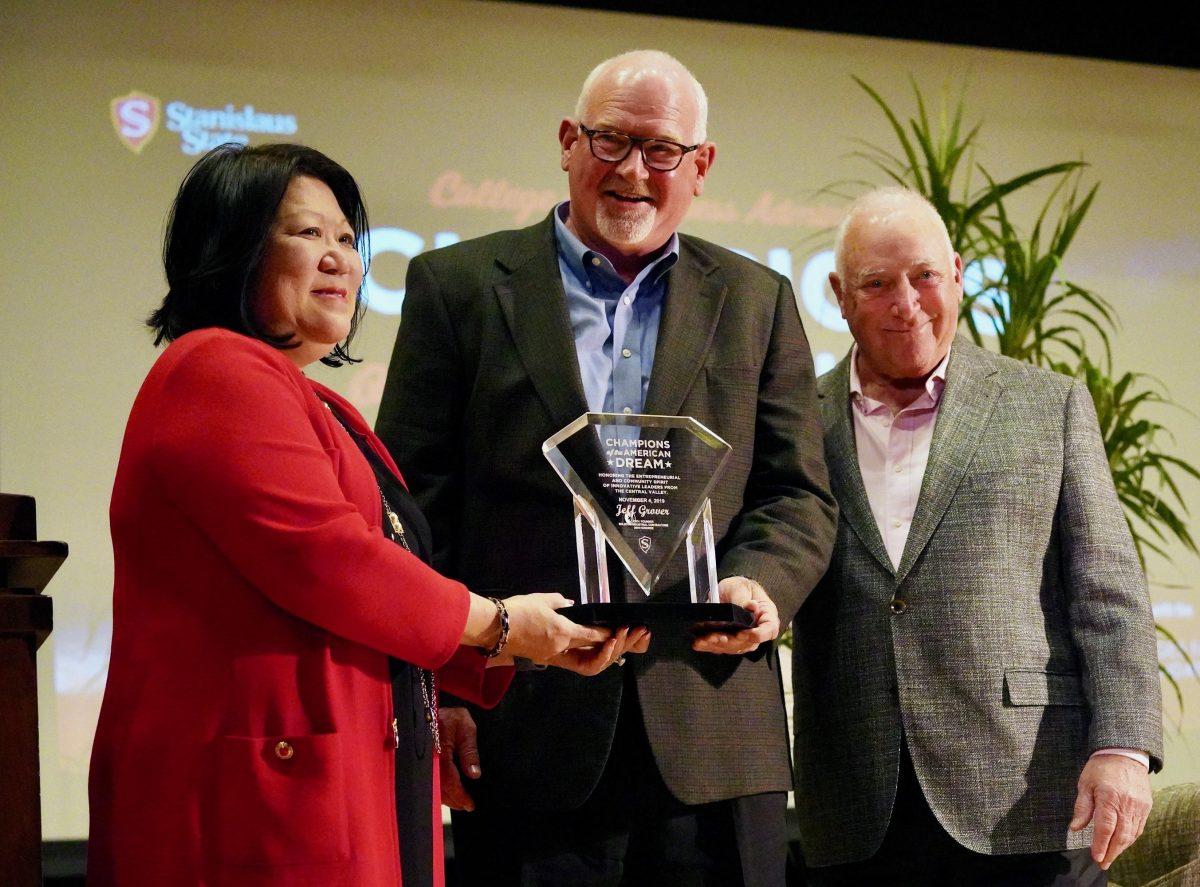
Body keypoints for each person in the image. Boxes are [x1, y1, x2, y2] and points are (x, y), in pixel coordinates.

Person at [87, 142, 647, 887]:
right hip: (249, 810)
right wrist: (501, 624)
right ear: (232, 249)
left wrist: (519, 646)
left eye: (347, 239)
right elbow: (330, 559)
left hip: (337, 785)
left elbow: (374, 587)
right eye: (306, 233)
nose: (340, 260)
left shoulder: (315, 399)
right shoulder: (215, 369)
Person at [376, 51, 836, 886]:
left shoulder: (757, 298)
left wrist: (761, 584)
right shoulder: (461, 286)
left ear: (701, 166)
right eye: (610, 140)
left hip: (714, 728)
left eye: (661, 149)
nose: (633, 171)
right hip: (523, 729)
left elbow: (796, 493)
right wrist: (445, 681)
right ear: (566, 141)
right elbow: (411, 505)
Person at [791, 186, 1163, 886]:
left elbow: (1109, 591)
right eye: (877, 283)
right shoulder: (793, 421)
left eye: (925, 275)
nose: (907, 303)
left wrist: (1124, 745)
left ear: (958, 273)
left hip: (1025, 795)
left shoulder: (1046, 403)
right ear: (840, 295)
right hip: (855, 805)